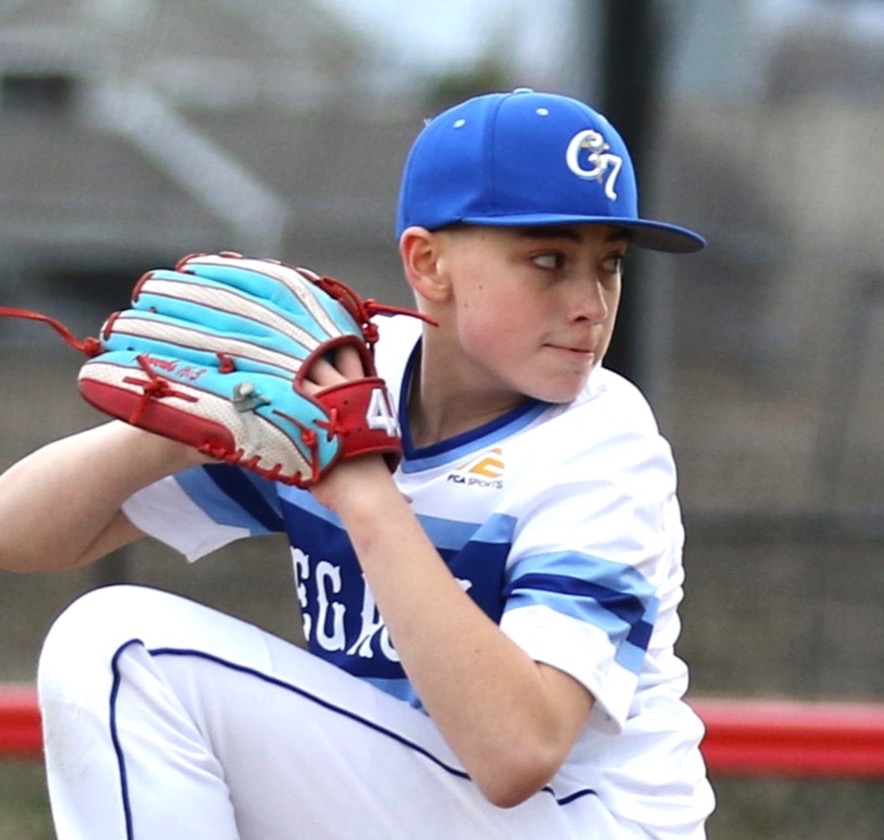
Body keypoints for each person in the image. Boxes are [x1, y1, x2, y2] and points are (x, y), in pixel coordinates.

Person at [0, 88, 714, 839]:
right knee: (103, 645)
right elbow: (19, 533)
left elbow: (517, 754)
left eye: (609, 263)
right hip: (421, 803)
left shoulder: (602, 443)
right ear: (428, 263)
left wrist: (362, 490)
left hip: (584, 822)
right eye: (549, 259)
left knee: (121, 646)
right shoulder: (353, 380)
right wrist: (177, 428)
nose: (591, 303)